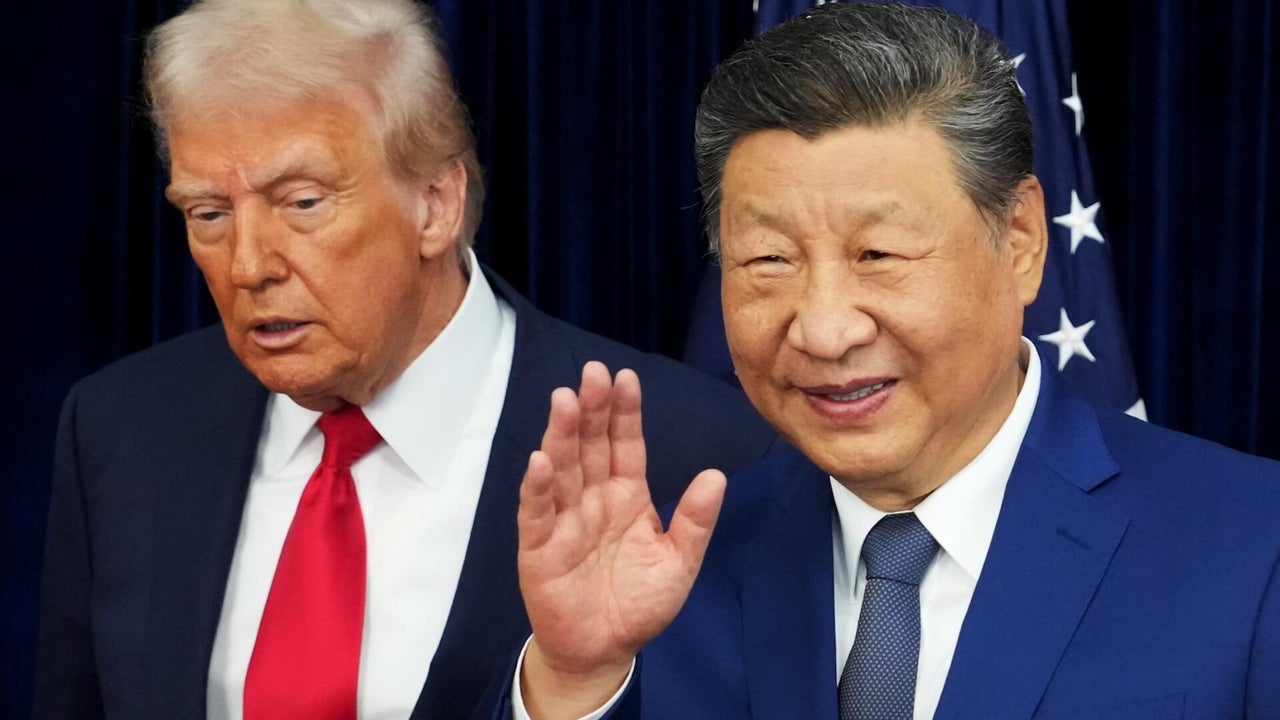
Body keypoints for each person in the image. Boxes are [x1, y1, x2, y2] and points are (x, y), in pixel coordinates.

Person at [504, 4, 1280, 719]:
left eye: (877, 254)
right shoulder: (662, 568)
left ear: (1019, 241)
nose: (824, 330)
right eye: (769, 259)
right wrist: (574, 683)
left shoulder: (1252, 549)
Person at [32, 1, 777, 718]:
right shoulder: (120, 429)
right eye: (209, 214)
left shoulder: (699, 454)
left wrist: (577, 688)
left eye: (302, 202)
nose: (248, 265)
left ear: (435, 204)